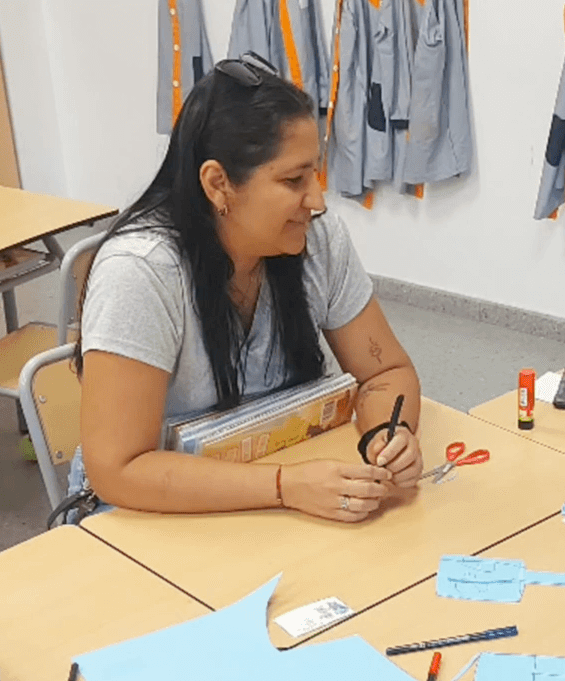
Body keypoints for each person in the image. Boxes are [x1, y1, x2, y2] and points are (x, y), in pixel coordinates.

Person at [73, 53, 423, 522]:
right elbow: (118, 470)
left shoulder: (317, 241)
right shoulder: (140, 272)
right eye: (293, 180)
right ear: (218, 184)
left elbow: (386, 373)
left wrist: (387, 436)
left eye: (315, 173)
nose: (317, 200)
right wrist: (285, 486)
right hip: (151, 515)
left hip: (275, 494)